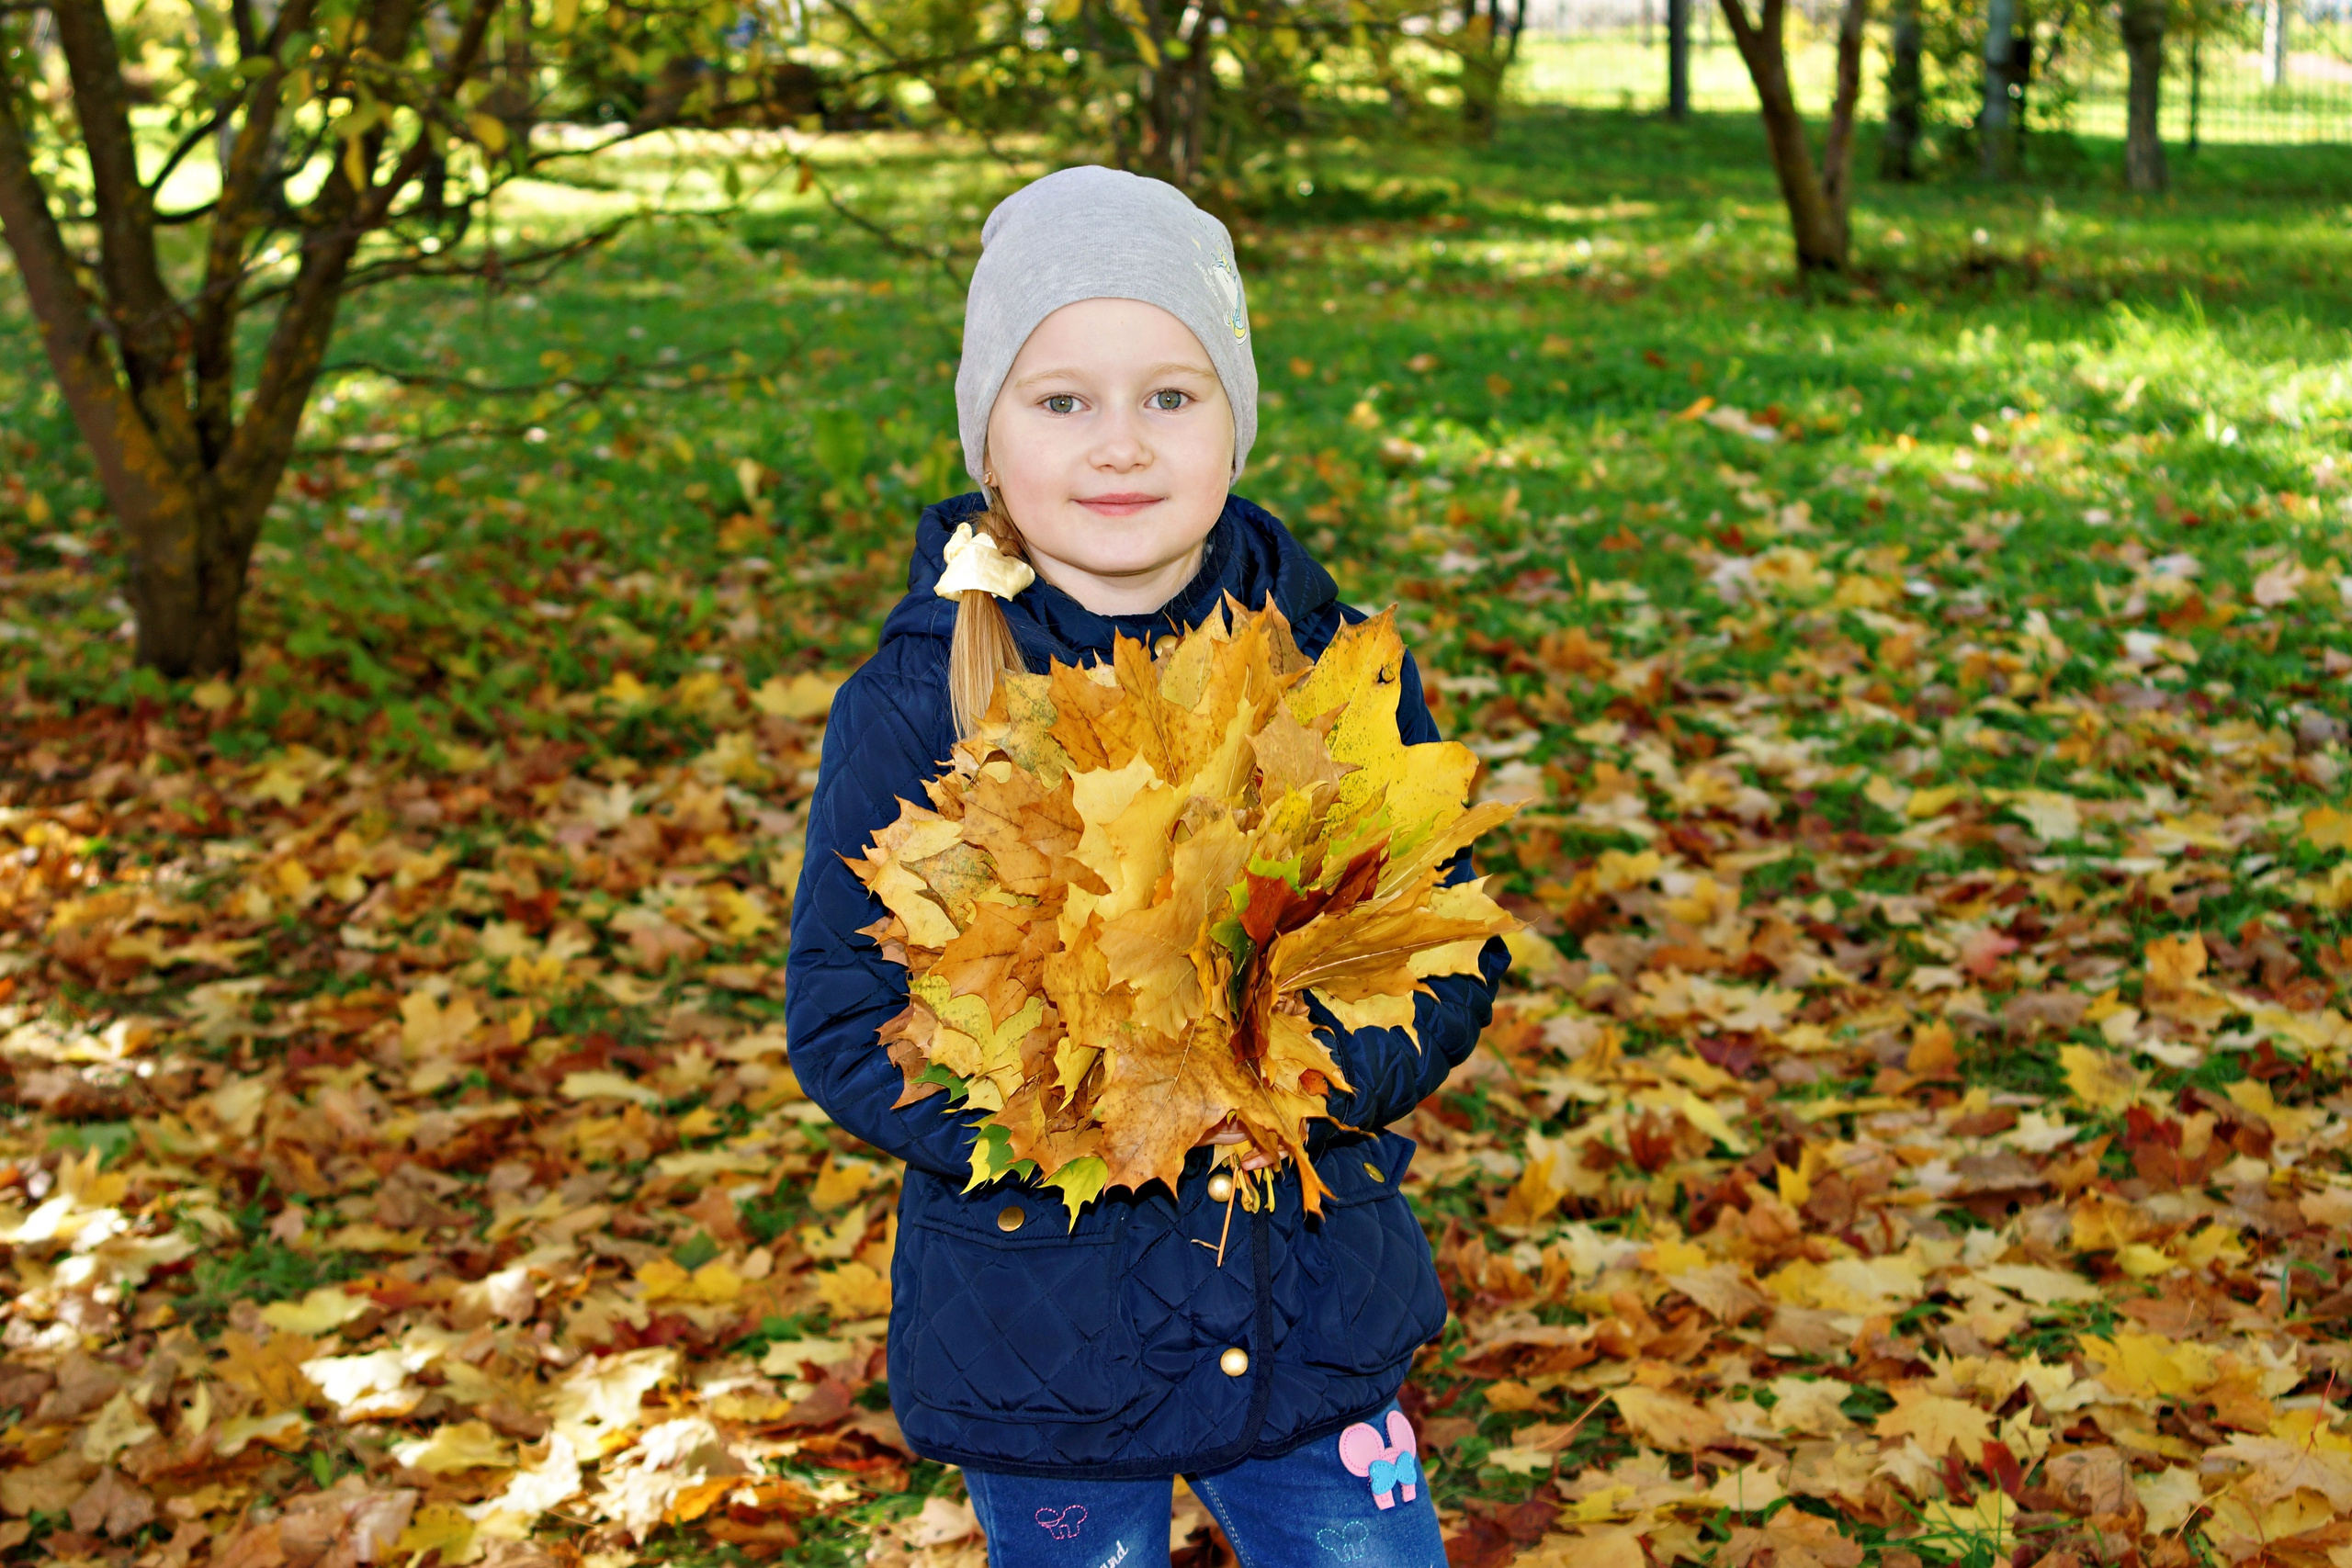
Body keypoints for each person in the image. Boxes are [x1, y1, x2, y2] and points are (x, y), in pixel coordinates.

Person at [786, 166, 1508, 1568]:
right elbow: (842, 1020)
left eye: (1170, 396)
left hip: (1311, 1314)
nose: (1120, 443)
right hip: (1038, 1341)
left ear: (1234, 422)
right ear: (990, 438)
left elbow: (1443, 953)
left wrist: (1292, 1088)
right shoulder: (918, 702)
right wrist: (1070, 1121)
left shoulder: (1331, 670)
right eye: (1063, 401)